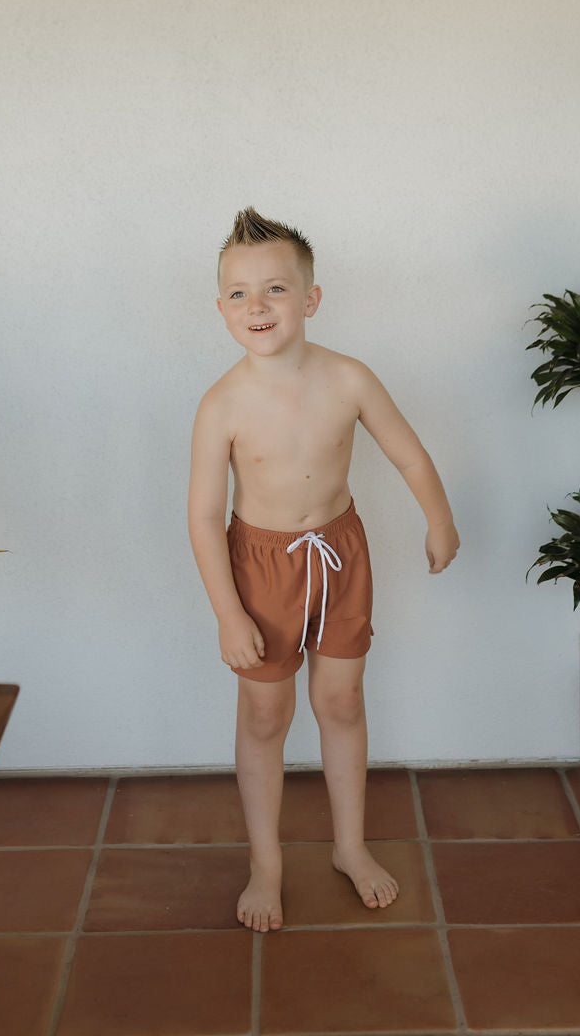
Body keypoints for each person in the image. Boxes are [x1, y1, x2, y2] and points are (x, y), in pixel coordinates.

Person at [188, 206, 459, 933]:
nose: (258, 306)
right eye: (240, 294)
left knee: (340, 703)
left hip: (340, 557)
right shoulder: (221, 405)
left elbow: (408, 454)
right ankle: (267, 863)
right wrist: (228, 612)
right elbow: (204, 517)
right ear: (222, 310)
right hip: (260, 568)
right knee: (266, 713)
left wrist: (439, 518)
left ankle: (349, 846)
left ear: (309, 299)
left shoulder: (348, 377)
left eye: (275, 289)